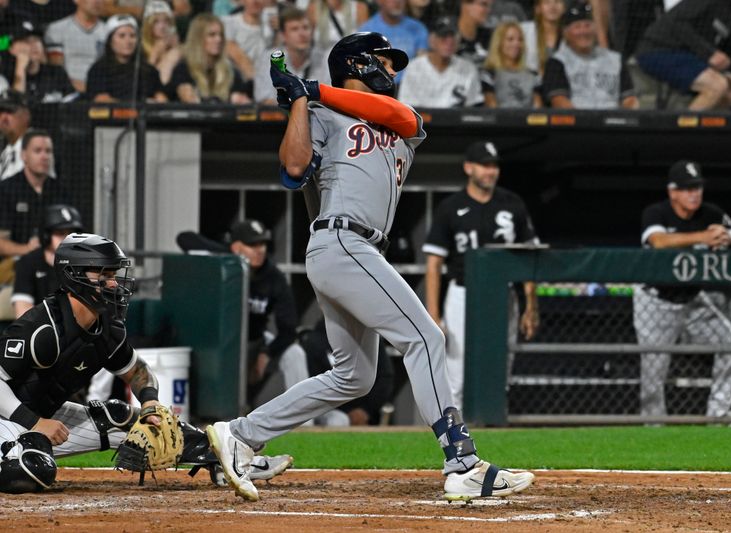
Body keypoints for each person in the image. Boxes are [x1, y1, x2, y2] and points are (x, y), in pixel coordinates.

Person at [206, 31, 535, 502]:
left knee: (353, 377)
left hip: (359, 249)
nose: (393, 69)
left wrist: (311, 89)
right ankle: (462, 462)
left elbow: (402, 116)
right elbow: (293, 168)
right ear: (357, 64)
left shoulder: (399, 120)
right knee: (426, 337)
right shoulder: (319, 112)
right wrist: (300, 102)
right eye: (384, 60)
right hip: (340, 240)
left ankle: (241, 433)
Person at [0, 233, 290, 493]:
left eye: (113, 274)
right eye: (104, 274)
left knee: (128, 416)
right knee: (32, 470)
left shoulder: (105, 328)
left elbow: (137, 371)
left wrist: (150, 400)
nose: (113, 282)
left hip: (43, 417)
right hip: (10, 420)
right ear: (74, 275)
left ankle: (228, 459)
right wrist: (34, 423)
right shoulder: (42, 329)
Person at [422, 141, 539, 410]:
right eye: (484, 165)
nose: (491, 171)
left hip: (503, 294)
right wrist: (433, 313)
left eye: (494, 165)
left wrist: (531, 305)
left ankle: (494, 426)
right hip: (463, 292)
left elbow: (529, 256)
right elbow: (433, 263)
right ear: (468, 168)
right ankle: (455, 435)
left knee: (501, 366)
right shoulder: (451, 206)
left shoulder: (512, 203)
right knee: (457, 370)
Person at [633, 160, 731, 418]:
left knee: (730, 343)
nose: (694, 193)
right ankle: (653, 430)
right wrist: (703, 237)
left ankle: (717, 414)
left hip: (693, 300)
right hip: (656, 301)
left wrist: (729, 237)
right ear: (672, 192)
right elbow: (658, 241)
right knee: (654, 372)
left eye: (697, 187)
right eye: (686, 188)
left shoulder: (711, 213)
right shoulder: (656, 212)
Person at [227, 219, 310, 406]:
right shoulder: (222, 266)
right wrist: (225, 250)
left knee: (295, 353)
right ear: (236, 247)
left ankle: (304, 422)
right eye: (252, 245)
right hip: (223, 345)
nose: (260, 249)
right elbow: (186, 239)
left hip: (255, 342)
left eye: (263, 244)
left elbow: (289, 328)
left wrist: (267, 353)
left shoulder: (273, 277)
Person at [635, 0, 731, 111]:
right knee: (716, 86)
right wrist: (709, 53)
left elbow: (729, 52)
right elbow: (676, 22)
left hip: (690, 57)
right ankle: (682, 135)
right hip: (659, 50)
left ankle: (706, 134)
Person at [540, 1, 639, 109]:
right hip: (576, 122)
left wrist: (623, 119)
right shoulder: (557, 62)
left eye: (587, 26)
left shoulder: (615, 60)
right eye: (577, 27)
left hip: (612, 121)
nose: (583, 31)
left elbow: (630, 99)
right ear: (566, 33)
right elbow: (559, 101)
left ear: (595, 29)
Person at [0, 129, 70, 259]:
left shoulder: (60, 191)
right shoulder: (6, 190)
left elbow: (71, 234)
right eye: (38, 151)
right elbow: (1, 242)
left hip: (52, 263)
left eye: (48, 151)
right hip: (16, 263)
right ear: (24, 155)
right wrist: (27, 249)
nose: (44, 156)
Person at [11, 204, 83, 318]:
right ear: (46, 236)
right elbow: (22, 312)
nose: (67, 238)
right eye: (60, 233)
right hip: (41, 330)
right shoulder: (27, 263)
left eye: (71, 233)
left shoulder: (83, 262)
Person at [397, 16, 484, 107]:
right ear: (432, 40)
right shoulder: (414, 68)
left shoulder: (468, 69)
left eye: (453, 36)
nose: (449, 41)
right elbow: (407, 108)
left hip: (455, 120)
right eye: (443, 36)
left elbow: (473, 110)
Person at [168, 13, 251, 104]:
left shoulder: (230, 71)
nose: (218, 39)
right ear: (198, 38)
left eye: (220, 35)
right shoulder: (183, 70)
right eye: (212, 35)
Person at [254, 7, 330, 105]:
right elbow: (264, 99)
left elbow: (328, 101)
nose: (302, 34)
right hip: (280, 118)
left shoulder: (323, 59)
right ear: (283, 36)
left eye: (306, 28)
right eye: (294, 29)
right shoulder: (271, 59)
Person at [85, 14, 167, 103]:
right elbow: (100, 100)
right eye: (122, 36)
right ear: (110, 41)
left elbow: (161, 98)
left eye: (132, 36)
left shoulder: (149, 70)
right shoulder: (98, 70)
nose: (128, 41)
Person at [44, 0, 107, 93]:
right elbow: (56, 69)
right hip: (66, 90)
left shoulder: (109, 32)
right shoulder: (57, 29)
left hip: (101, 90)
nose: (97, 1)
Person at [6, 21, 75, 103]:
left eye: (37, 39)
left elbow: (73, 104)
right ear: (12, 49)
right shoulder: (6, 76)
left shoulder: (56, 73)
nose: (34, 45)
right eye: (26, 41)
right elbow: (14, 109)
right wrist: (20, 69)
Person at [481, 21, 538, 108]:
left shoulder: (533, 75)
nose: (516, 44)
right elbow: (491, 106)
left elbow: (538, 108)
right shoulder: (488, 74)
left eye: (520, 39)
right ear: (499, 42)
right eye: (510, 39)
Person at [222, 0, 278, 83]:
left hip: (263, 83)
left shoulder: (271, 29)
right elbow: (237, 56)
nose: (255, 1)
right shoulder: (228, 23)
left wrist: (280, 31)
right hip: (233, 82)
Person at [357, 0, 429, 64]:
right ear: (379, 1)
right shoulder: (367, 31)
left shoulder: (418, 28)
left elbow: (422, 63)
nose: (397, 1)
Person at [141, 0, 182, 86]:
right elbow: (143, 80)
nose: (162, 26)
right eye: (156, 22)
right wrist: (154, 54)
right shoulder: (140, 49)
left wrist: (177, 47)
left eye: (166, 21)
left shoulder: (176, 49)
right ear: (149, 24)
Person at [520, 0, 564, 77]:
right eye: (547, 2)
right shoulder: (524, 30)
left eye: (557, 1)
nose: (553, 7)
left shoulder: (571, 33)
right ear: (538, 8)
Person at [0, 89, 32, 180]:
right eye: (1, 111)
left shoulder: (37, 148)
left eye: (10, 111)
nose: (4, 118)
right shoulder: (6, 151)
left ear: (27, 115)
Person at [456, 0, 494, 67]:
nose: (488, 11)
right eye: (483, 4)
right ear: (465, 5)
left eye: (490, 6)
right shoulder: (447, 37)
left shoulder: (491, 37)